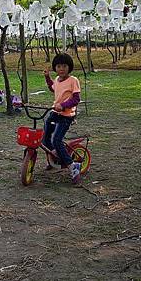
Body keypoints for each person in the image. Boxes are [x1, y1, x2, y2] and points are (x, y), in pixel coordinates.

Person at [43, 52, 82, 184]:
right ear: (55, 68)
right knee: (45, 137)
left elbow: (76, 99)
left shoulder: (73, 81)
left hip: (66, 115)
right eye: (58, 66)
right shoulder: (57, 80)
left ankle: (73, 166)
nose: (61, 69)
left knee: (57, 140)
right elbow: (53, 88)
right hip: (55, 113)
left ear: (69, 67)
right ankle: (53, 157)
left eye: (64, 66)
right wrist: (47, 77)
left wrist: (64, 105)